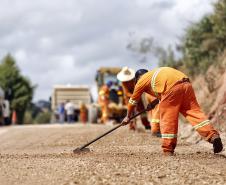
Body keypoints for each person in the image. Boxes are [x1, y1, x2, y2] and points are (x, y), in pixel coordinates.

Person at [122, 67, 223, 155]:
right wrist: (153, 103)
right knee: (194, 113)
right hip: (186, 83)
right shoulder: (154, 74)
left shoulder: (141, 81)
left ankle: (168, 149)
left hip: (171, 88)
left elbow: (132, 101)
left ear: (137, 79)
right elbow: (165, 87)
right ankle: (213, 135)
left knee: (168, 118)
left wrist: (128, 117)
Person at [117, 66, 151, 131]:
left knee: (142, 110)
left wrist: (137, 95)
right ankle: (132, 126)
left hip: (137, 95)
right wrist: (135, 96)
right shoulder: (123, 83)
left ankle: (146, 124)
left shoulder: (134, 80)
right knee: (130, 112)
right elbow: (126, 93)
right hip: (129, 98)